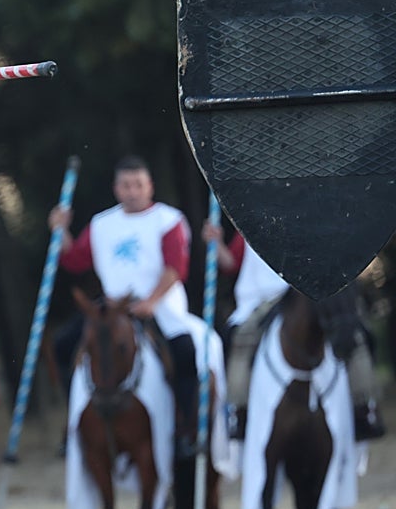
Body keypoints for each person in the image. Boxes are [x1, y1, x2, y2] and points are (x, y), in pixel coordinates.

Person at [49, 155, 204, 455]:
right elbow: (73, 260)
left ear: (150, 187)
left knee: (184, 351)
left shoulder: (168, 220)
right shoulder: (102, 223)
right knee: (63, 345)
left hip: (158, 303)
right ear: (116, 189)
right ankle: (74, 422)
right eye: (126, 185)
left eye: (138, 185)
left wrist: (151, 301)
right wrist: (60, 232)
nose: (132, 191)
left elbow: (175, 268)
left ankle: (188, 427)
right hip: (111, 307)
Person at [203, 223, 384, 441]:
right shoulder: (250, 216)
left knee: (355, 332)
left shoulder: (309, 211)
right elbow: (232, 262)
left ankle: (364, 408)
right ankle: (238, 411)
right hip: (263, 299)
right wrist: (216, 242)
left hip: (307, 293)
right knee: (243, 337)